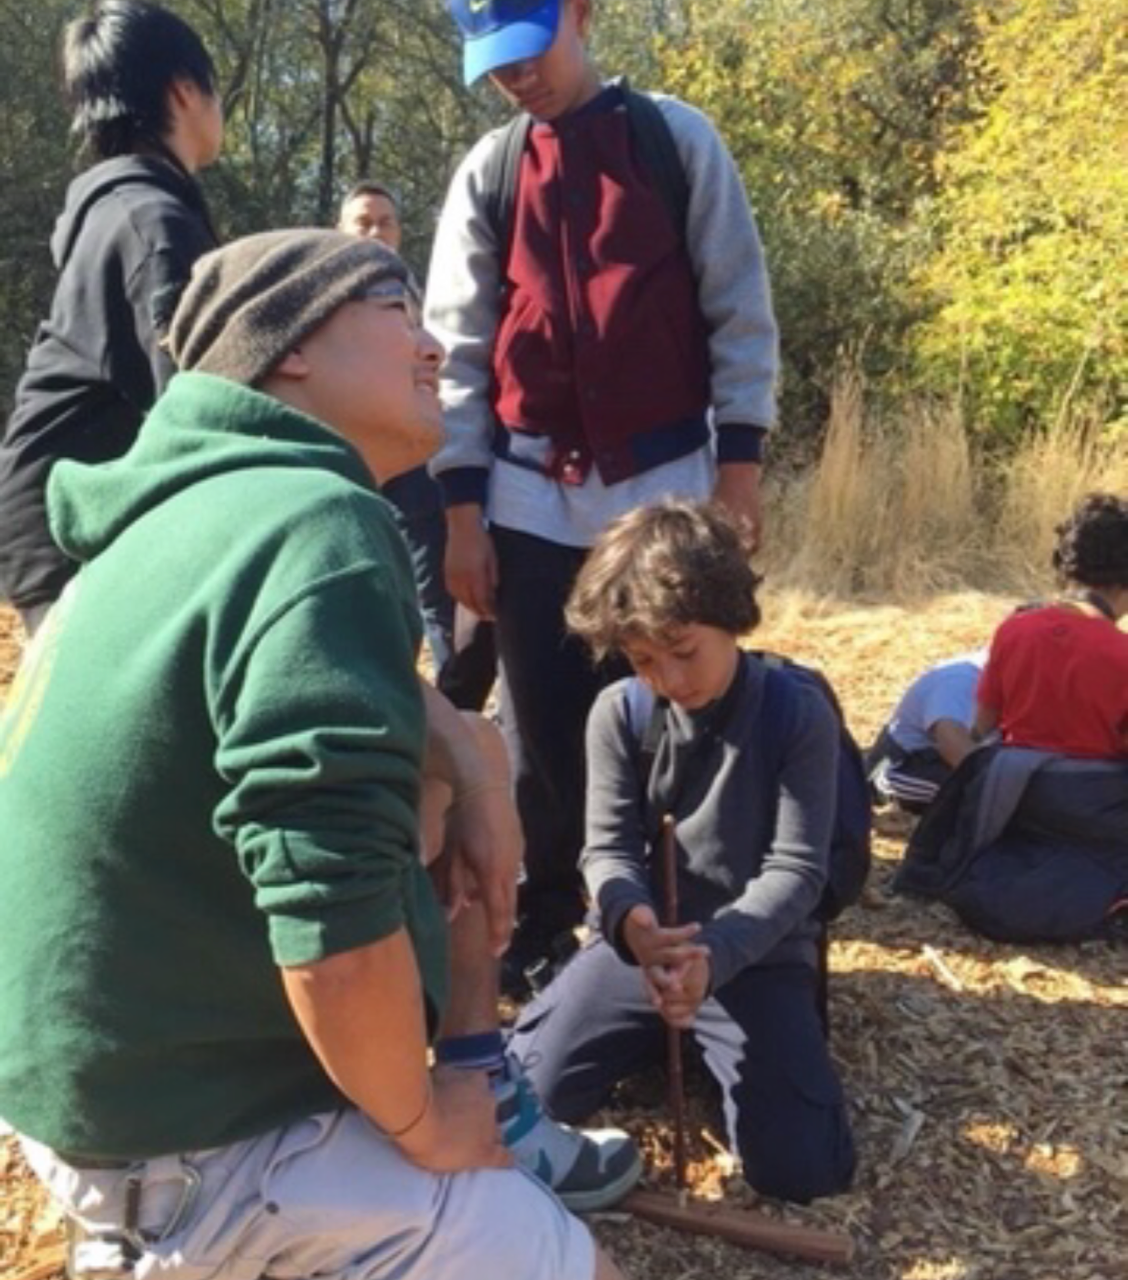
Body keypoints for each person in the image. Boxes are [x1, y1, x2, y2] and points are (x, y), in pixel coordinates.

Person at [0, 230, 638, 1280]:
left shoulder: (176, 524)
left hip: (82, 1098)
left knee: (425, 770)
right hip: (192, 1141)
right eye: (396, 308)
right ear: (287, 345)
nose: (435, 346)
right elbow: (332, 928)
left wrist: (473, 748)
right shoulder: (320, 520)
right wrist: (421, 1120)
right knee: (580, 1267)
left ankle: (468, 1084)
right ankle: (412, 1146)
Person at [426, 0, 779, 986]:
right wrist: (462, 509)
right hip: (529, 496)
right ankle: (548, 917)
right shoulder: (489, 175)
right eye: (495, 64)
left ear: (579, 15)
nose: (517, 77)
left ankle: (682, 908)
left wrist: (739, 466)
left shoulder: (674, 140)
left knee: (673, 701)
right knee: (539, 725)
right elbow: (455, 349)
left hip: (665, 488)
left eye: (531, 50)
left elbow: (736, 306)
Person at [509, 500, 856, 1204]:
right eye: (643, 660)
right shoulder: (619, 714)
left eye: (684, 650)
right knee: (522, 1095)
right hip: (643, 946)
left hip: (753, 950)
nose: (669, 678)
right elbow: (605, 849)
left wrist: (715, 954)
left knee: (802, 1173)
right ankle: (660, 1031)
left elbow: (797, 871)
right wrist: (630, 919)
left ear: (730, 614)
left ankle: (707, 1037)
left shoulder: (796, 711)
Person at [0, 0, 222, 636]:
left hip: (64, 510)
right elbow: (197, 409)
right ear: (184, 91)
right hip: (70, 530)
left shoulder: (128, 210)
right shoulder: (152, 225)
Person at [339, 180, 498, 712]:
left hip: (416, 463)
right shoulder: (325, 295)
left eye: (385, 221)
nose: (375, 231)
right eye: (362, 221)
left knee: (437, 594)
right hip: (352, 469)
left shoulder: (415, 293)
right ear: (340, 231)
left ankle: (454, 712)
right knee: (366, 591)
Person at [975, 493, 1128, 758]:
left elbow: (981, 728)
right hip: (1097, 793)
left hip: (1015, 789)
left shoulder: (1014, 630)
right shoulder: (1120, 652)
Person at [866, 650, 986, 813]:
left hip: (956, 757)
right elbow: (952, 744)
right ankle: (876, 788)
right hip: (909, 763)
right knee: (978, 796)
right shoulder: (960, 680)